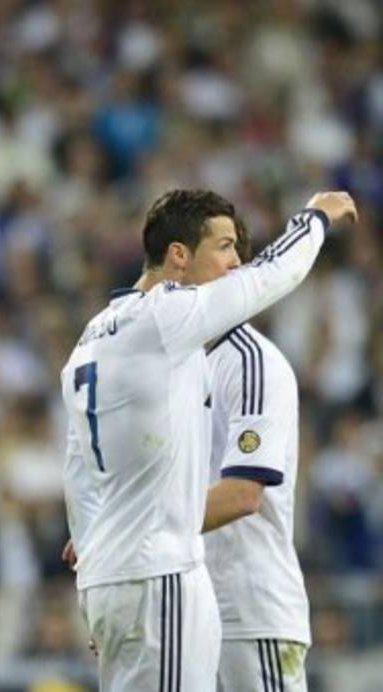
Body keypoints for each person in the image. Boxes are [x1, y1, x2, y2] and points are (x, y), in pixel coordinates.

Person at [60, 189, 356, 691]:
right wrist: (316, 218)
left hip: (133, 580)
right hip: (165, 575)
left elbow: (79, 472)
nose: (237, 264)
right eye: (223, 247)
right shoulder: (166, 316)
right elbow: (271, 276)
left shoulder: (91, 340)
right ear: (178, 255)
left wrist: (99, 550)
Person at [200, 224, 310, 691]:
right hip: (191, 610)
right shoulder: (178, 363)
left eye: (231, 250)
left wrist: (132, 529)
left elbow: (244, 494)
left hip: (250, 612)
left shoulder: (251, 362)